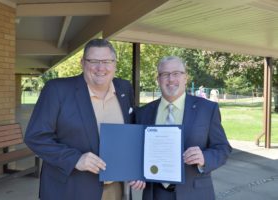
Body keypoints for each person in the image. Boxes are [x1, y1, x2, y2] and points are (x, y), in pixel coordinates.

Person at [24, 39, 144, 200]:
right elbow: (36, 136)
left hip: (115, 189)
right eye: (93, 61)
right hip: (70, 190)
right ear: (82, 63)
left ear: (114, 64)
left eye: (107, 61)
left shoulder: (124, 88)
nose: (100, 68)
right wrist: (75, 159)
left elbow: (131, 133)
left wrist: (135, 168)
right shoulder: (57, 90)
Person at [136, 56, 231, 200]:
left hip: (195, 193)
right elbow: (136, 151)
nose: (171, 79)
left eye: (176, 73)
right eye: (165, 74)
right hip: (155, 193)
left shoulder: (207, 109)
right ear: (158, 79)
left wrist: (204, 158)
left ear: (185, 78)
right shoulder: (143, 113)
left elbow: (223, 148)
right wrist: (135, 173)